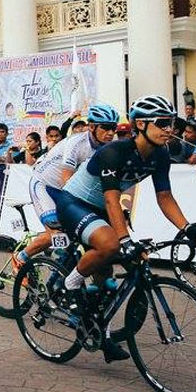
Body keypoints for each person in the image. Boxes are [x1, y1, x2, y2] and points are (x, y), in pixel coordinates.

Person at [51, 95, 196, 362]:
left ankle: (102, 334)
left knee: (113, 279)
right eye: (163, 123)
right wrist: (124, 239)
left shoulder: (160, 154)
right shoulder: (114, 152)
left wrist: (187, 228)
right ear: (140, 124)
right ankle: (70, 282)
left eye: (172, 123)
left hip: (100, 209)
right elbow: (111, 199)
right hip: (74, 202)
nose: (170, 129)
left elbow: (164, 197)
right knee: (110, 245)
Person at [20, 104, 120, 274]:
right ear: (92, 127)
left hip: (67, 191)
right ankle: (21, 258)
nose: (111, 132)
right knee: (56, 233)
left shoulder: (109, 146)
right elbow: (66, 179)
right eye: (106, 127)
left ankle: (64, 272)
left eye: (113, 128)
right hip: (45, 186)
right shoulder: (77, 143)